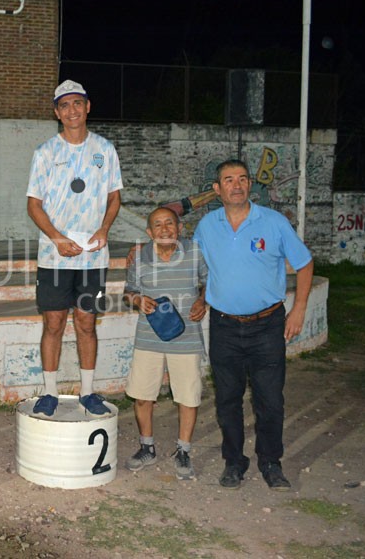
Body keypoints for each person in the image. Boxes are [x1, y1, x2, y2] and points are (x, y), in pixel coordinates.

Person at [194, 158, 313, 491]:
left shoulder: (273, 223)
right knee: (228, 399)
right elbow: (200, 267)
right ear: (217, 190)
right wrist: (202, 296)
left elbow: (304, 264)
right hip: (224, 327)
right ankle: (234, 462)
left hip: (267, 326)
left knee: (270, 399)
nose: (237, 185)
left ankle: (271, 462)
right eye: (229, 180)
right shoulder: (207, 227)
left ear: (250, 185)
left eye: (243, 179)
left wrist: (299, 308)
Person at [26, 79, 123, 416]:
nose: (72, 110)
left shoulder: (105, 150)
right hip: (54, 256)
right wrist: (56, 237)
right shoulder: (45, 153)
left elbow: (114, 196)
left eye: (77, 103)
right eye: (64, 105)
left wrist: (104, 228)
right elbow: (34, 205)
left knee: (86, 323)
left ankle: (87, 392)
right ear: (56, 112)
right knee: (53, 324)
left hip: (92, 256)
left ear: (88, 106)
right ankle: (50, 393)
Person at [122, 207, 207, 480]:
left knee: (188, 395)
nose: (164, 229)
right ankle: (147, 447)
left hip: (188, 335)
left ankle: (183, 450)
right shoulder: (140, 256)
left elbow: (209, 282)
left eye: (169, 223)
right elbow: (129, 291)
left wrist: (202, 300)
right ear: (149, 232)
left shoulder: (195, 252)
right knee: (143, 394)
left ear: (179, 227)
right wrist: (138, 300)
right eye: (157, 225)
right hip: (149, 336)